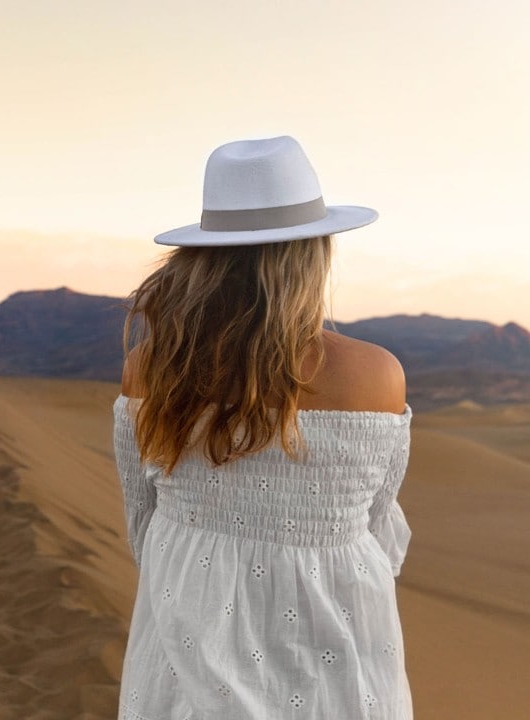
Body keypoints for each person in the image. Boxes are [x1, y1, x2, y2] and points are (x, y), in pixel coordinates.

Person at [113, 136, 413, 719]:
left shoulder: (152, 368)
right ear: (315, 254)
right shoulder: (375, 374)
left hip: (185, 652)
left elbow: (142, 526)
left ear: (204, 256)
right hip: (341, 656)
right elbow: (380, 537)